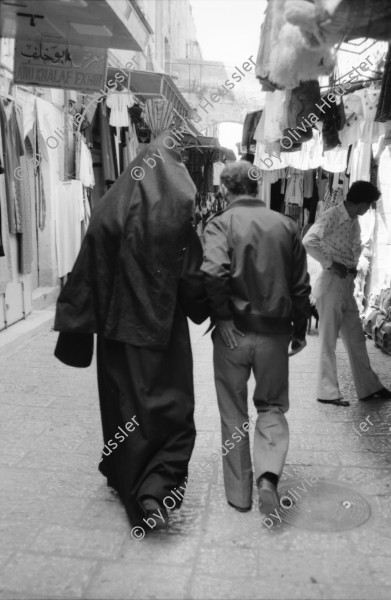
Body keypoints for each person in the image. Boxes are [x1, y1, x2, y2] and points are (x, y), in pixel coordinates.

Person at [53, 133, 209, 531]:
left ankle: (126, 475)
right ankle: (155, 487)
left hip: (116, 332)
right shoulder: (173, 215)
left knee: (122, 405)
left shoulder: (108, 210)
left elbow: (87, 269)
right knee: (170, 406)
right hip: (163, 331)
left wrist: (78, 324)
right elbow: (192, 276)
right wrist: (207, 308)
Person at [201, 161, 311, 517]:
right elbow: (299, 286)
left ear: (224, 190)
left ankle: (239, 495)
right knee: (272, 406)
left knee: (233, 413)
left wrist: (221, 316)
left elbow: (213, 272)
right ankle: (268, 477)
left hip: (233, 335)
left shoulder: (220, 223)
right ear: (258, 186)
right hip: (275, 334)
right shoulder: (287, 225)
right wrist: (297, 329)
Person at [302, 180, 391, 407]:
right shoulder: (333, 215)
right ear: (361, 202)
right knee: (328, 341)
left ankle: (369, 387)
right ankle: (327, 392)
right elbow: (308, 240)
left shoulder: (353, 221)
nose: (369, 209)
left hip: (345, 285)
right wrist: (330, 263)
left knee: (356, 338)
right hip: (331, 282)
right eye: (369, 204)